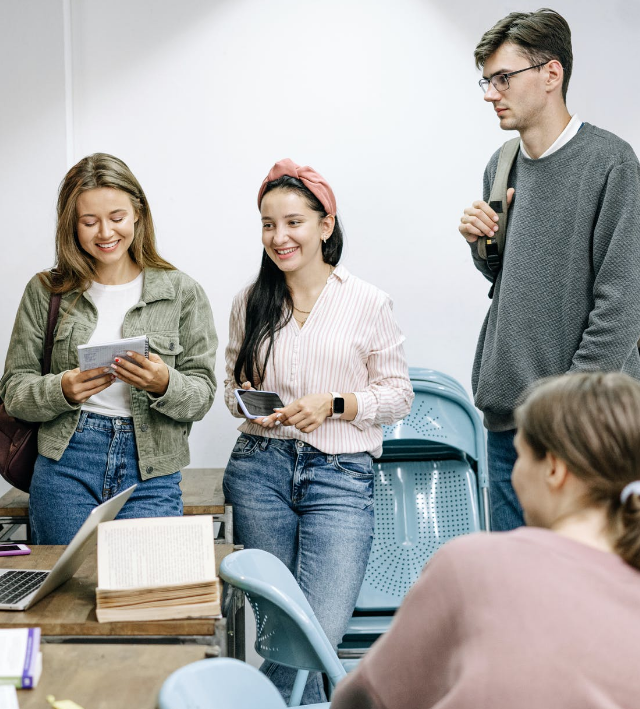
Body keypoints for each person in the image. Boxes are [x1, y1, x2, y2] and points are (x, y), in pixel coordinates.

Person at [331, 372, 640, 709]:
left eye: (520, 456)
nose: (514, 475)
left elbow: (366, 699)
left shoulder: (472, 566)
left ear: (554, 469)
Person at [456, 8, 640, 531]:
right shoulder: (500, 166)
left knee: (591, 595)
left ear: (551, 74)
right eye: (487, 79)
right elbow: (513, 281)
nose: (490, 93)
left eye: (503, 78)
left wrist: (562, 411)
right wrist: (484, 247)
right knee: (516, 593)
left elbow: (623, 304)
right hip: (509, 425)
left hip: (585, 428)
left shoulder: (611, 164)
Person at [223, 158, 414, 704]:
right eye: (267, 224)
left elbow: (398, 396)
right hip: (260, 472)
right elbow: (230, 390)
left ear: (325, 225)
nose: (278, 237)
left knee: (315, 634)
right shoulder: (250, 301)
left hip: (341, 478)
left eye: (293, 222)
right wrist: (249, 404)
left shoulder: (368, 302)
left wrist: (335, 403)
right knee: (280, 632)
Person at [0, 152, 217, 544]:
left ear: (138, 214)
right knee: (64, 597)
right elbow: (14, 392)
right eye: (89, 221)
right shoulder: (45, 292)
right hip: (66, 463)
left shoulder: (182, 293)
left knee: (143, 595)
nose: (105, 233)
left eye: (116, 217)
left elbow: (202, 396)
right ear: (71, 225)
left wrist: (164, 382)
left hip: (151, 469)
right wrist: (62, 389)